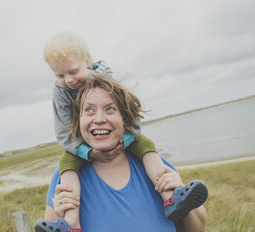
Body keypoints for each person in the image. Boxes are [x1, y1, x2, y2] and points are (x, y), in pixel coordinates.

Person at [37, 31, 208, 231]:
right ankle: (70, 225)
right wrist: (61, 211)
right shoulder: (64, 178)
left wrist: (177, 192)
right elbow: (63, 131)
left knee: (146, 146)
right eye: (88, 110)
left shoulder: (152, 164)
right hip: (78, 152)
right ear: (78, 120)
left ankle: (172, 200)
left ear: (123, 115)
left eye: (110, 109)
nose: (99, 119)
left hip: (133, 142)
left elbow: (198, 229)